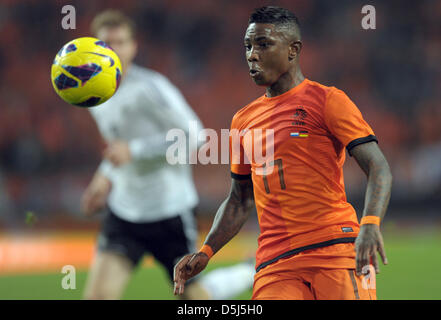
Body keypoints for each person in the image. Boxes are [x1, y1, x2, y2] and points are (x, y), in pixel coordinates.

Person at [174, 6, 393, 300]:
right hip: (274, 264)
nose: (252, 54)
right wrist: (207, 250)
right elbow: (240, 199)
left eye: (263, 44)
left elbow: (378, 167)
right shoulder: (243, 120)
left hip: (336, 250)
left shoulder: (328, 101)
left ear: (293, 50)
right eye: (248, 46)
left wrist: (370, 224)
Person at [81, 10, 254, 300]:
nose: (113, 51)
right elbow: (117, 146)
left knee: (192, 299)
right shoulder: (94, 95)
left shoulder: (152, 88)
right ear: (94, 49)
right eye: (105, 44)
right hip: (124, 212)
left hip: (169, 212)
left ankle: (250, 271)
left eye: (120, 42)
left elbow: (196, 137)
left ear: (133, 46)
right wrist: (104, 177)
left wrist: (134, 152)